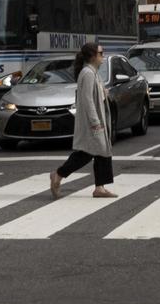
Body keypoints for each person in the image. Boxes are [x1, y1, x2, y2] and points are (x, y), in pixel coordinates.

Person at [50, 42, 116, 199]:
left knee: (102, 151)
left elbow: (92, 95)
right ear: (93, 56)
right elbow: (86, 100)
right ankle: (58, 174)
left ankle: (99, 187)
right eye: (101, 53)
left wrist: (102, 92)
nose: (103, 56)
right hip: (91, 122)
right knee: (86, 153)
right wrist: (95, 123)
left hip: (96, 120)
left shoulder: (92, 72)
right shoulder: (87, 73)